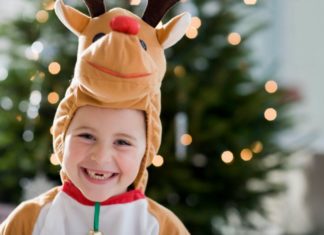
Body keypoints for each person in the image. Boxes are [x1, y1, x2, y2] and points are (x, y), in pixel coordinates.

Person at [0, 0, 192, 234]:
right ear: (62, 135)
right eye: (87, 135)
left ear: (147, 149)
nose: (100, 157)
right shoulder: (28, 222)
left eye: (122, 142)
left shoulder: (163, 228)